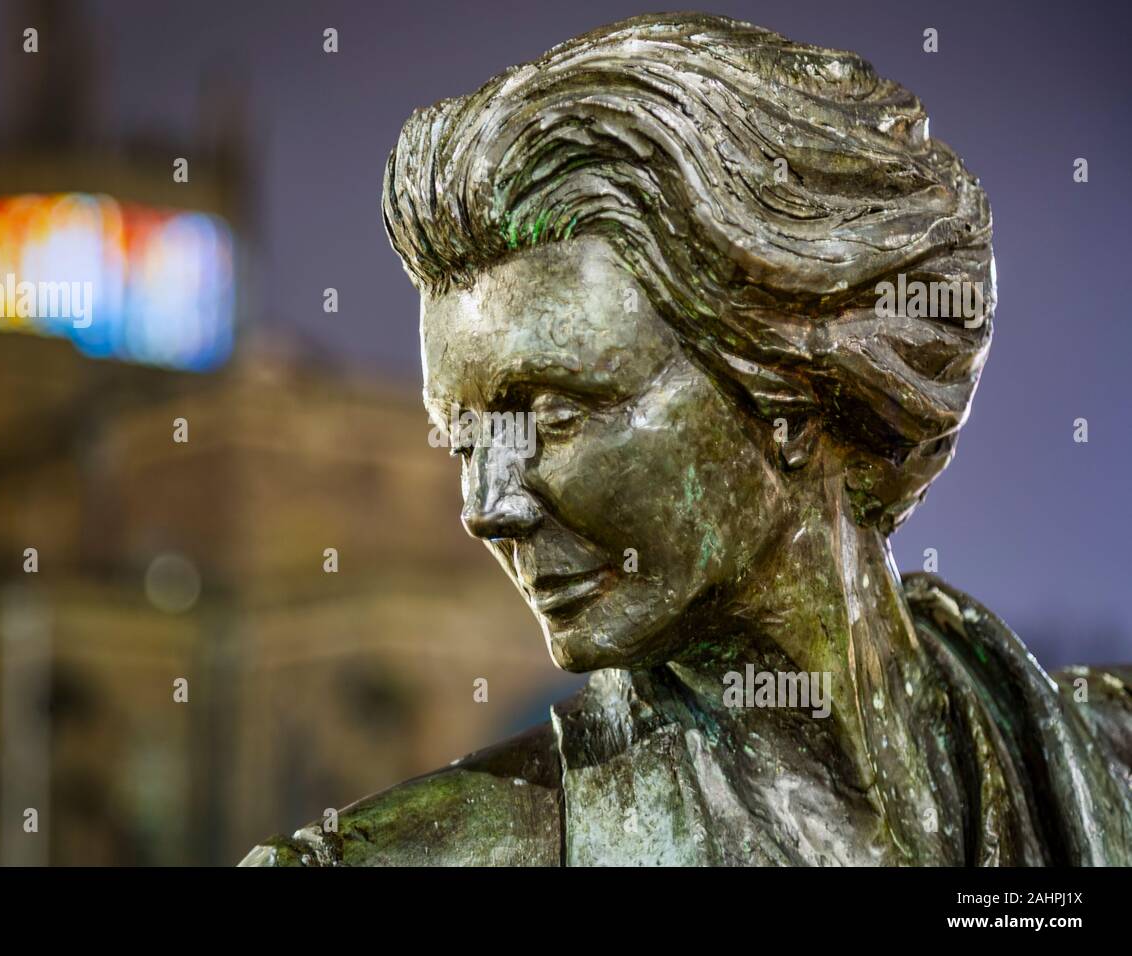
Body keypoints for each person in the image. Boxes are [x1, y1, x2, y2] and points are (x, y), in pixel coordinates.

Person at [242, 12, 1132, 867]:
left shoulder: (1110, 766)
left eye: (554, 415)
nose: (484, 508)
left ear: (794, 384)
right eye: (464, 440)